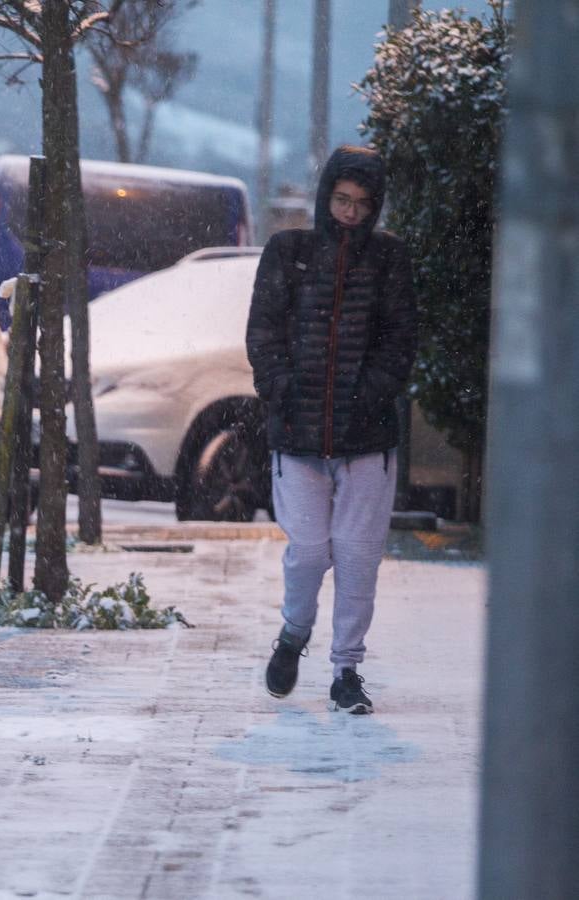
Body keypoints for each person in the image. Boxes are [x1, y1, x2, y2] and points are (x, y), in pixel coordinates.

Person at [246, 145, 418, 715]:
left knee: (358, 554)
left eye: (363, 205)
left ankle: (347, 669)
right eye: (342, 200)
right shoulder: (288, 251)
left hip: (367, 437)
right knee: (310, 550)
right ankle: (294, 633)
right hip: (296, 433)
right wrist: (281, 387)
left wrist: (367, 393)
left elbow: (400, 339)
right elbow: (263, 330)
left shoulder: (390, 260)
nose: (350, 213)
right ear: (326, 198)